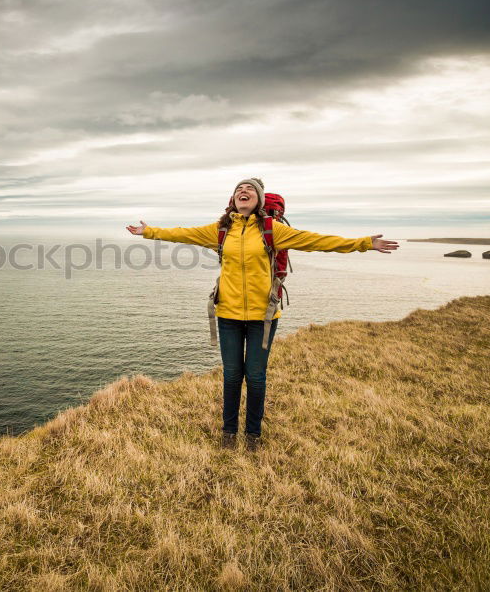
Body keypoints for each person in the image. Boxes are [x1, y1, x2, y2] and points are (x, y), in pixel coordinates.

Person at [125, 177, 398, 450]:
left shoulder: (273, 230)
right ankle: (229, 432)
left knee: (255, 376)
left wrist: (363, 243)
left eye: (250, 190)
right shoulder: (220, 230)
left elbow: (316, 241)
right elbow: (182, 233)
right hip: (228, 314)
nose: (243, 192)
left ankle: (253, 435)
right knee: (232, 375)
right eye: (239, 190)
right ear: (233, 200)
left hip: (263, 317)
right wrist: (148, 232)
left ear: (260, 200)